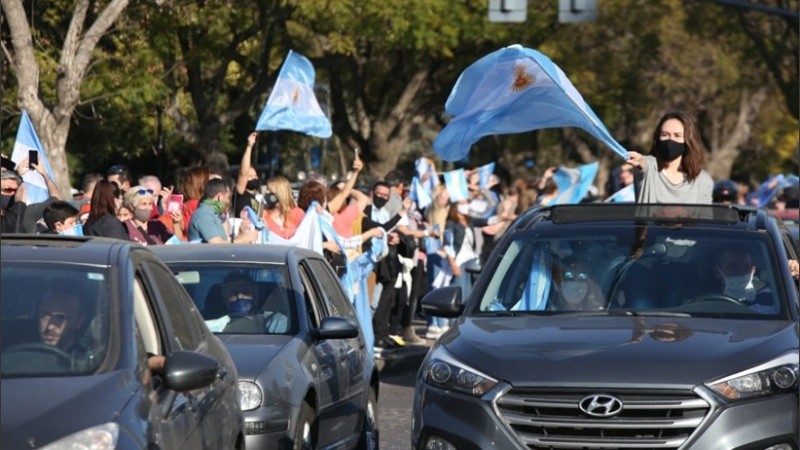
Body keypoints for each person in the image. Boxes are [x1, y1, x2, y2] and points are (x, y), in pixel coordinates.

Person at [626, 110, 714, 204]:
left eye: (677, 136)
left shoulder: (703, 180)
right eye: (665, 135)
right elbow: (644, 164)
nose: (670, 140)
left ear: (689, 141)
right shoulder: (651, 169)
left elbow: (705, 217)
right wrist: (639, 160)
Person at [35, 282, 95, 371]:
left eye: (60, 318)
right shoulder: (20, 356)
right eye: (45, 315)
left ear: (79, 321)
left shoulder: (88, 366)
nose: (50, 326)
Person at [204, 272, 288, 334]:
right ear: (225, 300)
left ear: (255, 296)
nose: (240, 296)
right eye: (232, 292)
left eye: (245, 291)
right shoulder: (207, 324)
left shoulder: (275, 321)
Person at [188, 178, 257, 244]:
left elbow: (224, 243)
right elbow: (217, 245)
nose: (228, 201)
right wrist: (244, 240)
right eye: (228, 198)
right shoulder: (204, 215)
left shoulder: (213, 214)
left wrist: (241, 235)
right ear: (219, 197)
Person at [232, 132, 262, 217]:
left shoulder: (258, 198)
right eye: (250, 176)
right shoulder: (240, 193)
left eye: (255, 176)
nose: (254, 178)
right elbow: (243, 173)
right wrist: (249, 146)